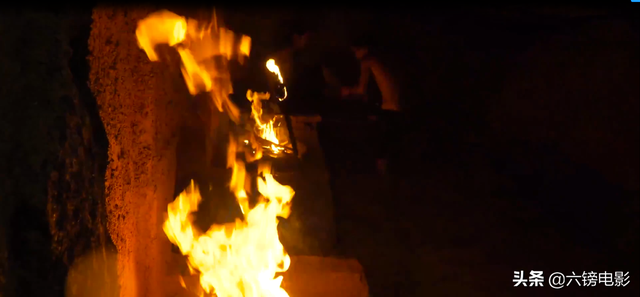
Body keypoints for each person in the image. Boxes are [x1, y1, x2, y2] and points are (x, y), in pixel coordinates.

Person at [341, 38, 403, 175]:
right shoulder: (382, 60)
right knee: (390, 144)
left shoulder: (367, 61)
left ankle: (382, 179)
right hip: (399, 105)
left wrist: (346, 91)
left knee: (381, 146)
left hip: (390, 108)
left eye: (355, 51)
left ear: (364, 49)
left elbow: (361, 89)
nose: (355, 55)